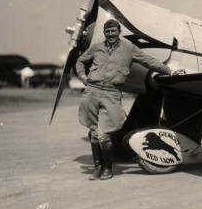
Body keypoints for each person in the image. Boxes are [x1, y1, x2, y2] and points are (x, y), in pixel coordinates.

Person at [76, 18, 184, 180]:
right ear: (104, 33)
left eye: (113, 31)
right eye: (107, 32)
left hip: (111, 93)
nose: (110, 34)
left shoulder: (129, 48)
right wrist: (83, 76)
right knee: (93, 133)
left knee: (104, 135)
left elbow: (150, 61)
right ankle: (98, 167)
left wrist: (169, 72)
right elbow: (80, 60)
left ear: (119, 32)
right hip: (92, 91)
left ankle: (107, 168)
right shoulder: (97, 47)